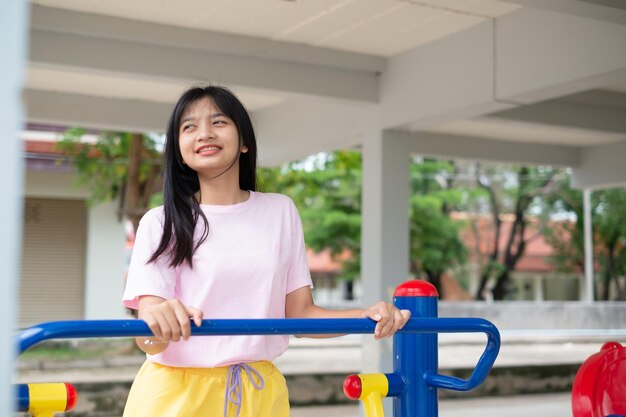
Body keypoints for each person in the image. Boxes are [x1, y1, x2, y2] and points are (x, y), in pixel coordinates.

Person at [121, 85, 411, 417]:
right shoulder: (160, 222)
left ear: (244, 141)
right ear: (179, 150)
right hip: (176, 396)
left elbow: (299, 316)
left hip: (259, 392)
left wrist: (365, 316)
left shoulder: (280, 211)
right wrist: (160, 323)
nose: (204, 133)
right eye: (189, 127)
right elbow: (147, 337)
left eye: (218, 122)